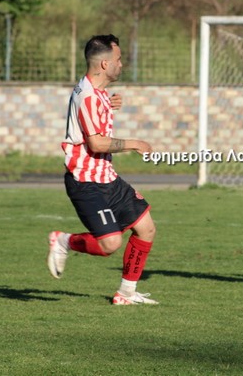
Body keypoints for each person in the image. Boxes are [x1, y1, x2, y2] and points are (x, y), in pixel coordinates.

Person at [47, 34, 158, 305]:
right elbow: (96, 143)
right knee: (110, 244)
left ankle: (126, 293)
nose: (122, 64)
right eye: (118, 59)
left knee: (146, 228)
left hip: (107, 177)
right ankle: (64, 241)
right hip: (86, 182)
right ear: (105, 64)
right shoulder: (88, 97)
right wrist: (134, 143)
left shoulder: (94, 92)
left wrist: (108, 103)